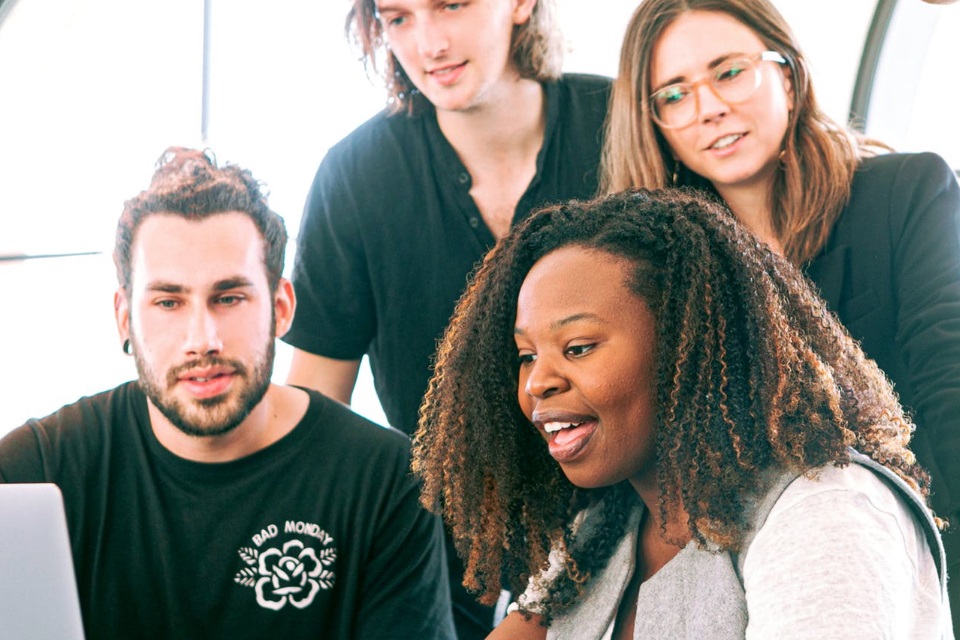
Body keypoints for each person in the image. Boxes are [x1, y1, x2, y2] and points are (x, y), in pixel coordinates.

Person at [412, 188, 954, 639]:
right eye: (527, 355)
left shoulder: (826, 511)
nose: (537, 382)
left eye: (577, 347)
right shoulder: (605, 526)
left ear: (686, 347)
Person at [600, 0, 960, 626]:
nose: (708, 107)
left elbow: (950, 385)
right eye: (674, 95)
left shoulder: (905, 194)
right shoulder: (655, 274)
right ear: (655, 124)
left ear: (788, 77)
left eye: (729, 72)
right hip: (747, 581)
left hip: (923, 551)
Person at [0, 147, 455, 640]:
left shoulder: (384, 480)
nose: (203, 340)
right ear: (125, 318)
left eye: (229, 298)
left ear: (281, 307)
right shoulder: (39, 470)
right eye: (169, 302)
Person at [282, 1, 610, 636]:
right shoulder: (355, 175)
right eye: (398, 18)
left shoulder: (620, 123)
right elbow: (316, 413)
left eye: (452, 4)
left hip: (633, 525)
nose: (428, 44)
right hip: (441, 555)